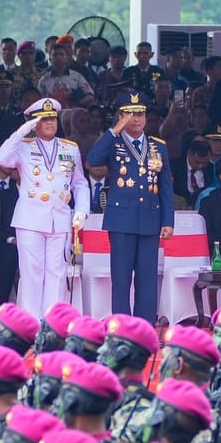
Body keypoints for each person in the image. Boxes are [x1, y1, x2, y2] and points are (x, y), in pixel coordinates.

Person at [0, 97, 88, 318]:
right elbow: (1, 158)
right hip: (30, 218)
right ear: (35, 122)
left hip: (60, 218)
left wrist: (82, 209)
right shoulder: (23, 147)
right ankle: (30, 324)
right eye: (44, 119)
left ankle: (52, 323)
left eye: (52, 119)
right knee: (31, 274)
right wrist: (23, 130)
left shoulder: (69, 148)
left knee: (57, 274)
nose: (49, 123)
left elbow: (80, 182)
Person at [86, 90, 174, 322]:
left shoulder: (158, 146)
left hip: (150, 218)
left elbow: (165, 185)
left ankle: (144, 328)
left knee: (147, 279)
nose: (136, 118)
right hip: (122, 219)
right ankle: (123, 328)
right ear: (120, 116)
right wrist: (114, 130)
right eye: (129, 114)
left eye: (140, 113)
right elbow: (92, 160)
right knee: (121, 279)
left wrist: (168, 221)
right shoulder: (113, 143)